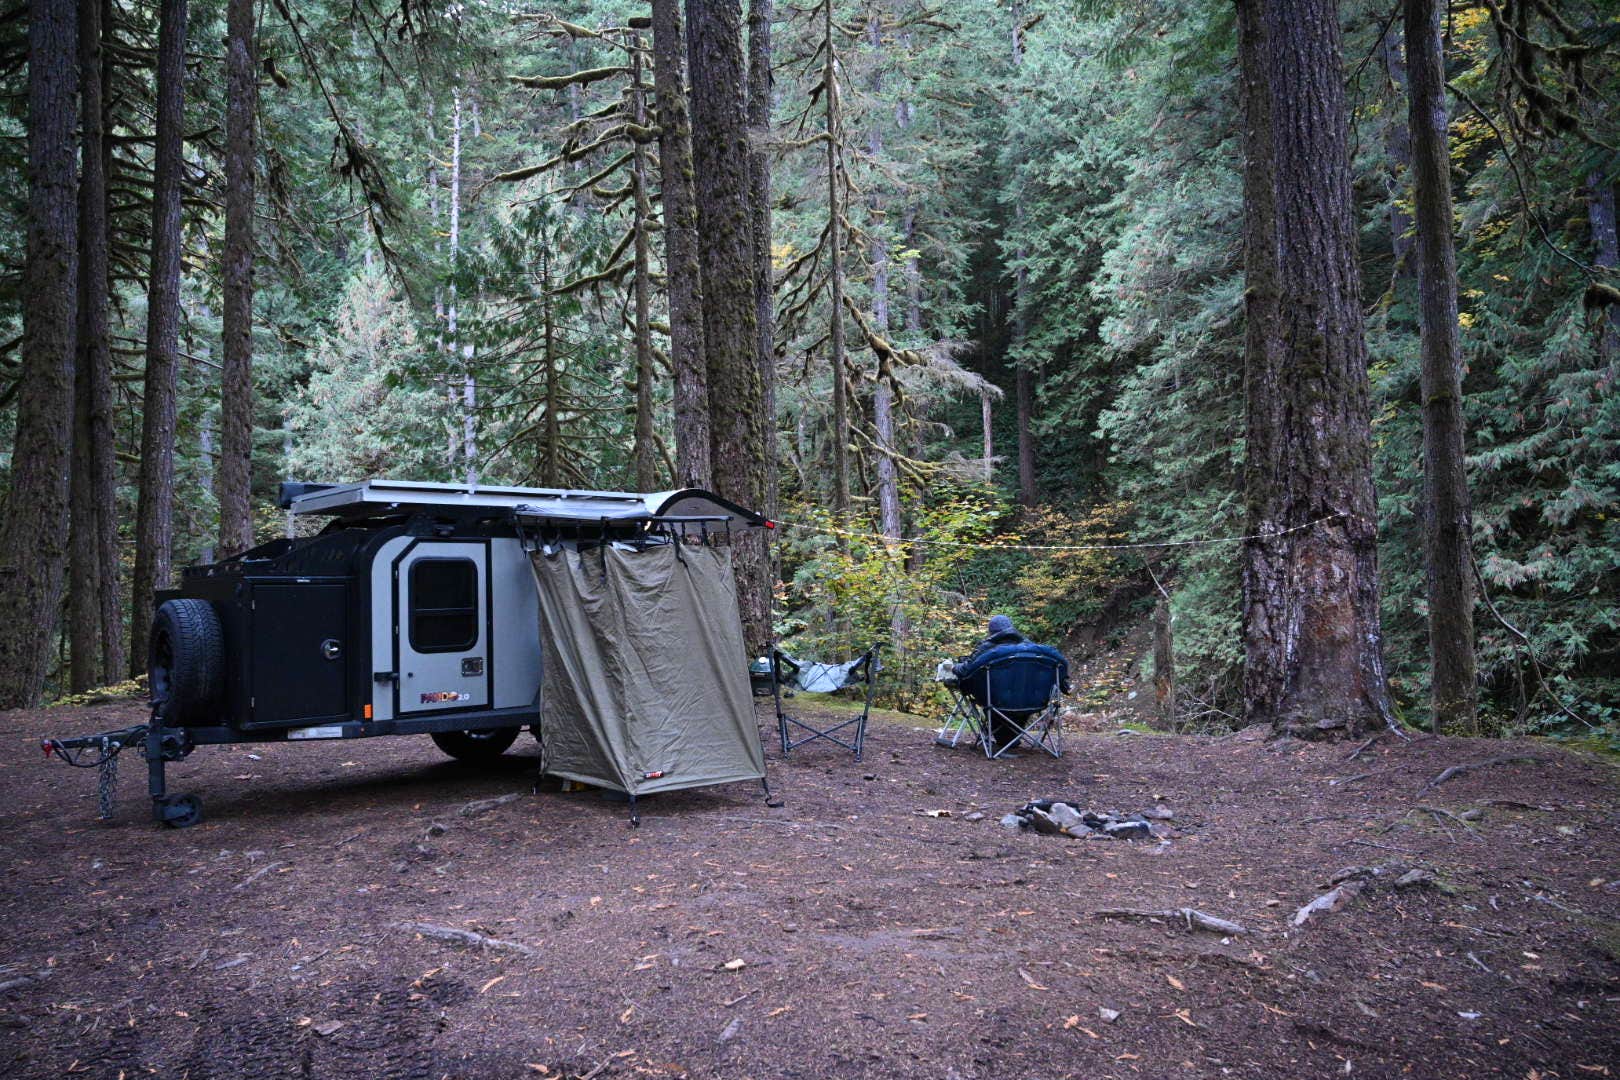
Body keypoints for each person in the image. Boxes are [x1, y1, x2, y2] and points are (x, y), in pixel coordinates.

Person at [951, 615, 1070, 753]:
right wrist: (1063, 682)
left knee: (993, 694)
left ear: (991, 632)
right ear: (1011, 628)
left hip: (995, 702)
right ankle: (1009, 740)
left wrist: (953, 668)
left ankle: (1003, 740)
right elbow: (1063, 670)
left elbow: (966, 671)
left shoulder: (987, 649)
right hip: (1033, 701)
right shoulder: (1033, 649)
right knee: (1013, 695)